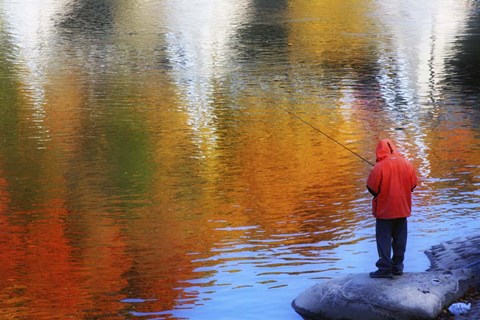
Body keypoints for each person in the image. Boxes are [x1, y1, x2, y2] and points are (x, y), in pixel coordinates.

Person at [367, 139, 417, 278]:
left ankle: (384, 268)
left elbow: (372, 188)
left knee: (384, 239)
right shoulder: (407, 164)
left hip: (385, 211)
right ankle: (397, 266)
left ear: (379, 150)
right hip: (402, 209)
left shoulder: (379, 167)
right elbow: (413, 185)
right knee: (400, 239)